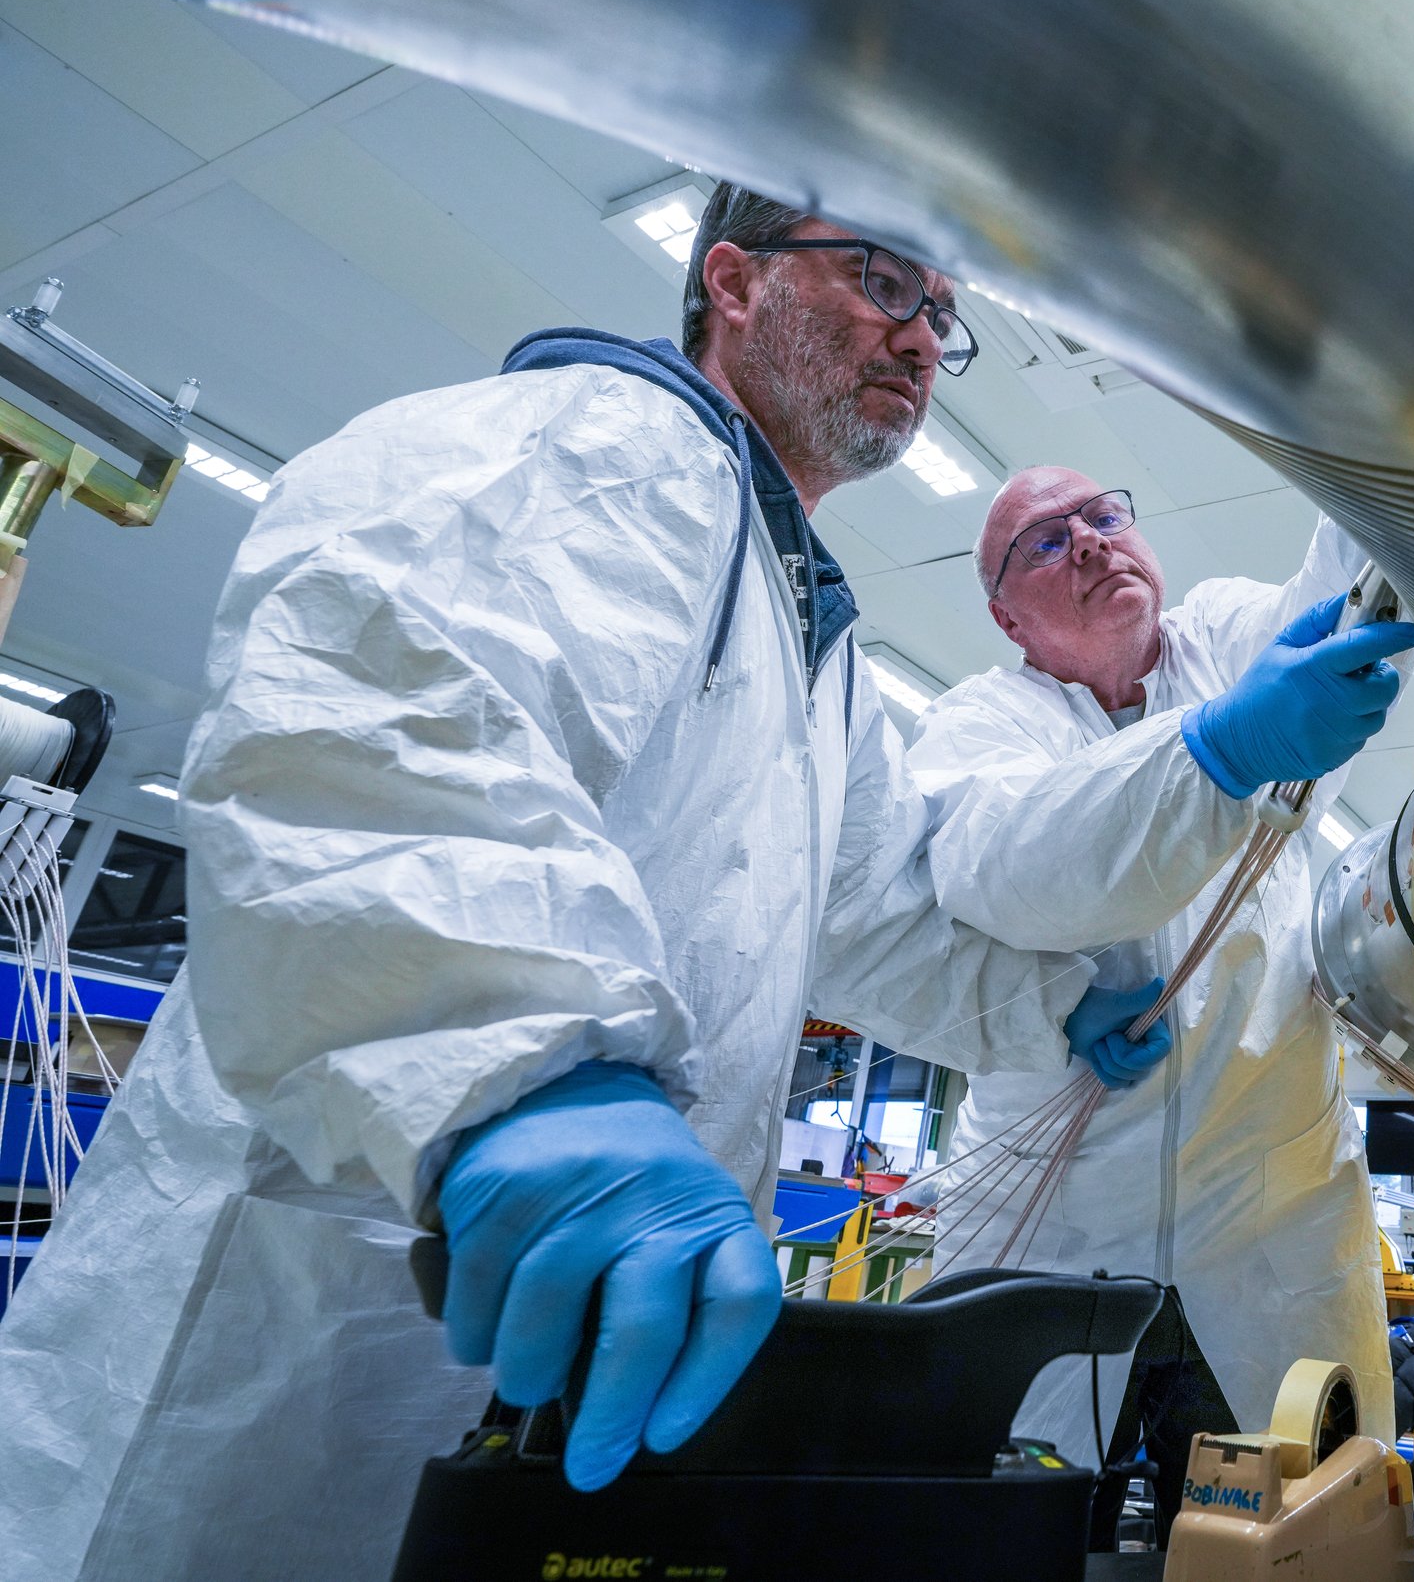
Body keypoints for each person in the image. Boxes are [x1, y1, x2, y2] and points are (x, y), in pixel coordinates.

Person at [0, 186, 1156, 1580]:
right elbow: (385, 710)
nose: (923, 337)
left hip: (585, 1360)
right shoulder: (597, 440)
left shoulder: (816, 642)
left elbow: (867, 916)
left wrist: (1046, 1010)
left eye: (945, 316)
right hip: (308, 1296)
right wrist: (533, 1064)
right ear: (732, 282)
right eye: (885, 280)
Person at [906, 464, 1414, 1549]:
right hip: (1054, 1217)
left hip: (1269, 1197)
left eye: (1102, 515)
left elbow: (1341, 584)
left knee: (1287, 1521)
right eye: (1045, 543)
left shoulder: (1227, 635)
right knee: (1013, 1519)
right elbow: (1017, 862)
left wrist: (1380, 446)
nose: (1089, 542)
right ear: (1005, 614)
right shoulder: (979, 724)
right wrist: (1218, 749)